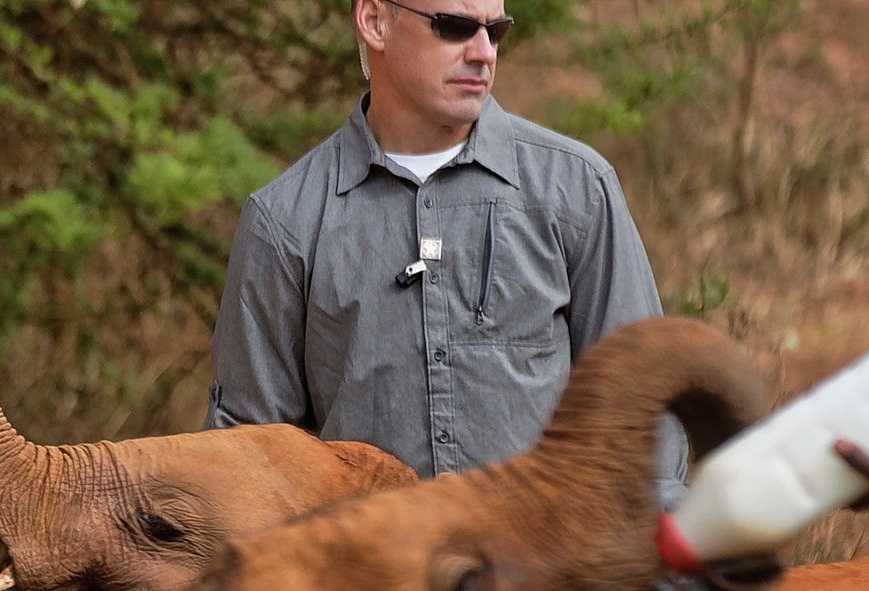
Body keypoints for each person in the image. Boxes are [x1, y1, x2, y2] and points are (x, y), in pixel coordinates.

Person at [205, 0, 685, 491]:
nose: (483, 53)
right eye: (454, 28)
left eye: (495, 32)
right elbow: (250, 460)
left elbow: (645, 415)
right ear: (374, 22)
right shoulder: (286, 219)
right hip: (371, 565)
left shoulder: (576, 190)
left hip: (545, 567)